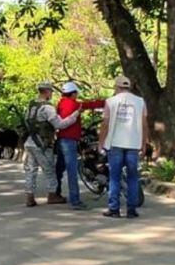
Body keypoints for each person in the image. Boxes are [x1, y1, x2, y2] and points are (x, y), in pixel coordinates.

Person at [23, 82, 81, 208]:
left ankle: (29, 197)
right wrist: (75, 115)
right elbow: (60, 124)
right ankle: (52, 195)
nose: (52, 94)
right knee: (50, 170)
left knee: (30, 170)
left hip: (29, 142)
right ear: (47, 92)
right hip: (42, 144)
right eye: (51, 91)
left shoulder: (31, 105)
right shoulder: (47, 108)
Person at [98, 76, 148, 219]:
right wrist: (144, 143)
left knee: (115, 177)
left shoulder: (111, 102)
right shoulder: (140, 102)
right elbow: (144, 124)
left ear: (117, 87)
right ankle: (131, 210)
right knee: (133, 177)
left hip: (115, 143)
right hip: (133, 144)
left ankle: (114, 209)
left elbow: (105, 124)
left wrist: (101, 142)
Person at [55, 82, 106, 210]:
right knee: (72, 170)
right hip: (70, 141)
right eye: (76, 93)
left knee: (59, 169)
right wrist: (106, 102)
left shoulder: (60, 104)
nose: (77, 95)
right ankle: (75, 201)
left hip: (61, 140)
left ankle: (56, 193)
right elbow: (90, 104)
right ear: (73, 94)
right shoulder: (74, 104)